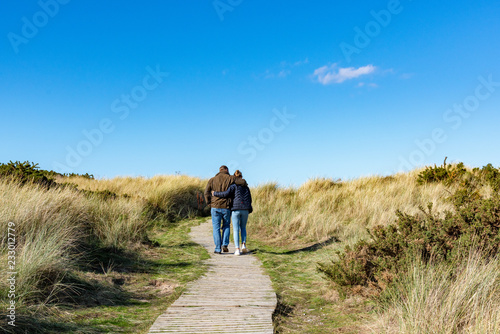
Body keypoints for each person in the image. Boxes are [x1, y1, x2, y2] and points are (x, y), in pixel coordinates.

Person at [204, 165, 247, 254]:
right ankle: (225, 244)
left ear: (219, 170)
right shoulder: (231, 178)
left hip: (215, 207)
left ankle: (217, 249)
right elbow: (242, 182)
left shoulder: (212, 180)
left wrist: (209, 203)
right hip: (226, 207)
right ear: (226, 170)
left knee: (216, 228)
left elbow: (206, 193)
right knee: (226, 226)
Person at [212, 170, 252, 256]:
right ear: (241, 177)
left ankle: (237, 249)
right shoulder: (246, 187)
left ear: (234, 177)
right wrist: (249, 208)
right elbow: (250, 199)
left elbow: (225, 194)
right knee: (243, 228)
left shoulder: (233, 186)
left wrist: (215, 193)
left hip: (235, 209)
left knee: (236, 229)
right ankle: (244, 245)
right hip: (245, 209)